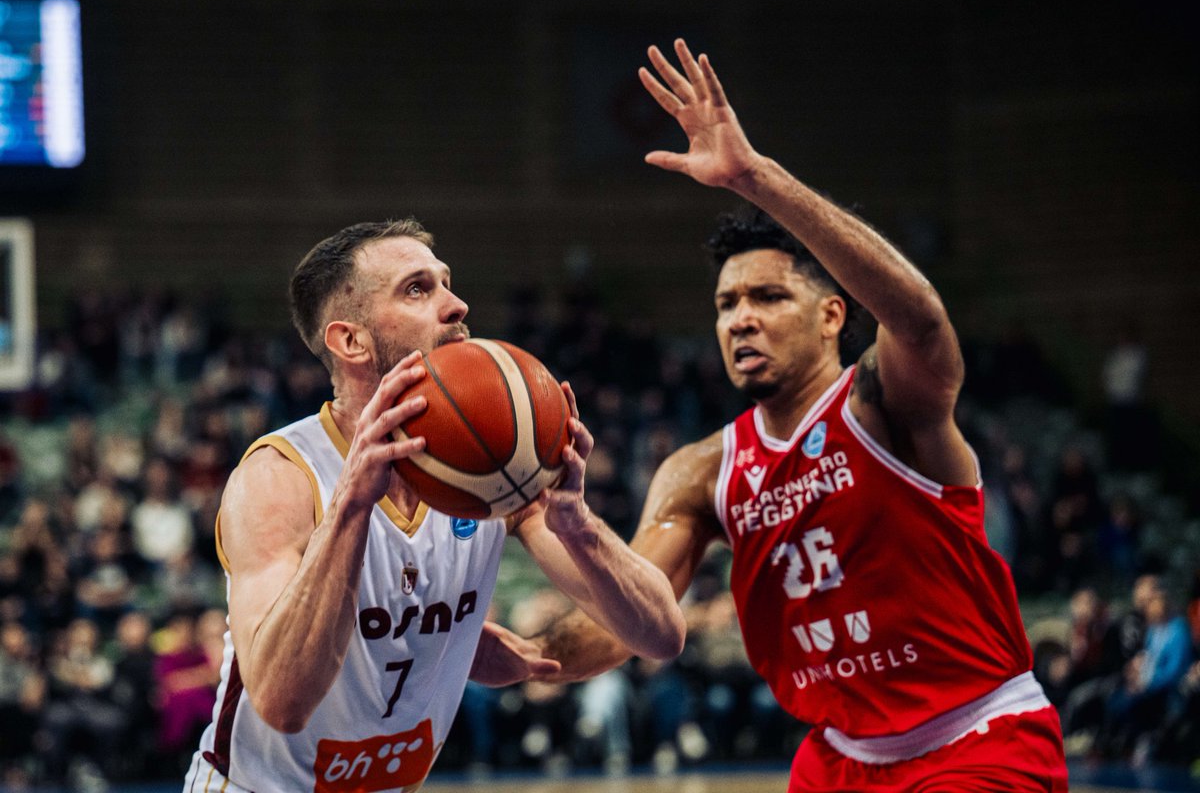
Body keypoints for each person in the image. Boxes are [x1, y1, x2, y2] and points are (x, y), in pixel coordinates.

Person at [529, 39, 1068, 791]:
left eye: (767, 297)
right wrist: (515, 656)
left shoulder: (884, 404)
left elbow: (920, 320)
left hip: (977, 737)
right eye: (726, 304)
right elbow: (630, 622)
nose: (740, 319)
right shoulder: (700, 472)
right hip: (838, 757)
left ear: (831, 316)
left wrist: (755, 178)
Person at [182, 219, 686, 792]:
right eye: (418, 289)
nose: (457, 305)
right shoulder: (280, 476)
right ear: (351, 341)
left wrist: (578, 527)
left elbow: (660, 635)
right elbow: (281, 703)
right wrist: (350, 508)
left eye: (447, 283)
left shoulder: (495, 467)